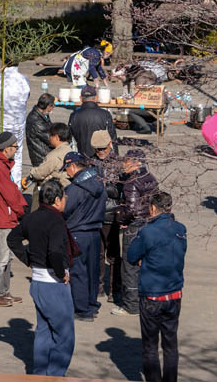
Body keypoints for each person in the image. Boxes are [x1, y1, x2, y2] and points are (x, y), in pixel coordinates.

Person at [7, 180, 78, 378]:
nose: (65, 200)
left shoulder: (32, 218)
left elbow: (12, 239)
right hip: (54, 285)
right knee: (64, 336)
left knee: (44, 331)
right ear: (56, 200)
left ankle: (39, 375)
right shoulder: (56, 221)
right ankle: (55, 375)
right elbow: (55, 252)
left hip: (37, 282)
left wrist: (28, 259)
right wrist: (60, 273)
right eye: (63, 197)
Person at [127, 192, 186, 382]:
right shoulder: (180, 229)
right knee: (170, 345)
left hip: (152, 296)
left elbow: (131, 256)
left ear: (153, 208)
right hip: (174, 294)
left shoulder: (147, 232)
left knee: (150, 346)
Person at [111, 149, 159, 318]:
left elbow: (131, 208)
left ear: (135, 163)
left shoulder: (131, 183)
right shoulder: (151, 178)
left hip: (135, 227)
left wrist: (120, 218)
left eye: (126, 161)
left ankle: (131, 305)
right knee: (146, 265)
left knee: (130, 265)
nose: (123, 164)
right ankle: (146, 300)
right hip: (150, 225)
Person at [62, 151, 106, 321]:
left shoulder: (75, 189)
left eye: (67, 168)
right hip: (95, 232)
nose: (66, 173)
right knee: (92, 271)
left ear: (73, 166)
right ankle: (92, 304)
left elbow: (64, 209)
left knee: (78, 272)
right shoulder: (98, 181)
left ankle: (82, 309)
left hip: (77, 233)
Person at [0, 130, 26, 307]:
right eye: (15, 147)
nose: (16, 150)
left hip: (6, 215)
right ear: (7, 148)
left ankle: (3, 290)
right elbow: (10, 194)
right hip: (3, 216)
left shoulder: (1, 165)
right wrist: (21, 211)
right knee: (1, 256)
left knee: (7, 256)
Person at [92, 131, 123, 305]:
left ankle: (114, 289)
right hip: (95, 214)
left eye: (102, 148)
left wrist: (104, 187)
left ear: (110, 145)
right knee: (97, 253)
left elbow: (120, 191)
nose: (100, 152)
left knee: (112, 255)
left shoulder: (119, 163)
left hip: (111, 214)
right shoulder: (91, 161)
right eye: (97, 149)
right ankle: (98, 287)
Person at [0, 63, 30, 182]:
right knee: (17, 152)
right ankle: (15, 183)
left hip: (1, 121)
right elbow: (26, 97)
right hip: (18, 121)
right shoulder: (24, 79)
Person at [25, 123, 72, 210]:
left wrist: (32, 171)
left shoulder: (54, 155)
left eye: (51, 136)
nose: (49, 138)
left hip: (53, 191)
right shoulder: (70, 151)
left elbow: (39, 173)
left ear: (57, 138)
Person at [68, 85, 119, 158]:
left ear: (80, 98)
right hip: (101, 156)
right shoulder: (105, 114)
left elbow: (71, 140)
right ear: (96, 98)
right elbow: (112, 138)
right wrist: (115, 158)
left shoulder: (74, 115)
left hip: (82, 157)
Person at [25, 92, 57, 169]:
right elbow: (51, 139)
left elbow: (50, 127)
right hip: (41, 158)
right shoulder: (36, 121)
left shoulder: (42, 114)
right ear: (49, 106)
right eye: (53, 106)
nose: (52, 108)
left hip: (45, 154)